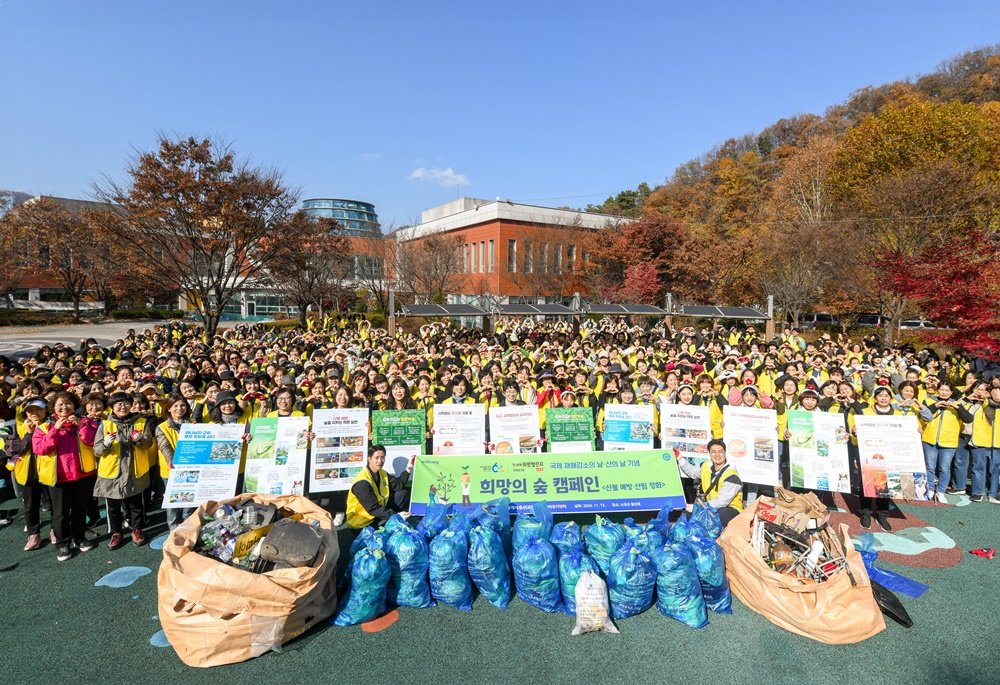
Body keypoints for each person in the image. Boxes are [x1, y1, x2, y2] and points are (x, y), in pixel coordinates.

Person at [32, 392, 98, 560]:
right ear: (53, 408)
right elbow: (40, 449)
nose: (64, 407)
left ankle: (80, 538)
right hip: (58, 477)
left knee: (80, 508)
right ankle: (62, 544)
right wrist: (55, 430)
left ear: (75, 406)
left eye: (68, 403)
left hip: (82, 474)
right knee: (60, 513)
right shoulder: (43, 427)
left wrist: (81, 426)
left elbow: (94, 442)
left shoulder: (86, 422)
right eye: (60, 404)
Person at [93, 391, 154, 549]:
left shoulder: (141, 422)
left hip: (134, 470)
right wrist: (106, 444)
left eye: (126, 403)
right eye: (118, 404)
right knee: (113, 506)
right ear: (112, 407)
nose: (122, 406)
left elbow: (148, 444)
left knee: (135, 504)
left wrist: (140, 441)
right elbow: (97, 450)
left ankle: (137, 529)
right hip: (112, 471)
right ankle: (116, 532)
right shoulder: (105, 424)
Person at [675, 438, 743, 527]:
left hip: (729, 509)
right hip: (710, 507)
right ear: (709, 454)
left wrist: (697, 508)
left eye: (720, 452)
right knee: (686, 516)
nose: (717, 455)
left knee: (714, 518)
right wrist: (679, 458)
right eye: (713, 452)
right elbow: (692, 472)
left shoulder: (732, 475)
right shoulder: (706, 466)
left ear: (725, 453)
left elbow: (722, 502)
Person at [345, 444, 412, 529]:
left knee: (402, 493)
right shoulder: (362, 482)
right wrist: (397, 516)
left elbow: (398, 486)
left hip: (377, 514)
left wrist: (408, 469)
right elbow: (373, 508)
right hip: (363, 522)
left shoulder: (382, 473)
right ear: (369, 459)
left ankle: (387, 522)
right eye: (376, 458)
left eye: (382, 457)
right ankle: (389, 522)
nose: (380, 461)